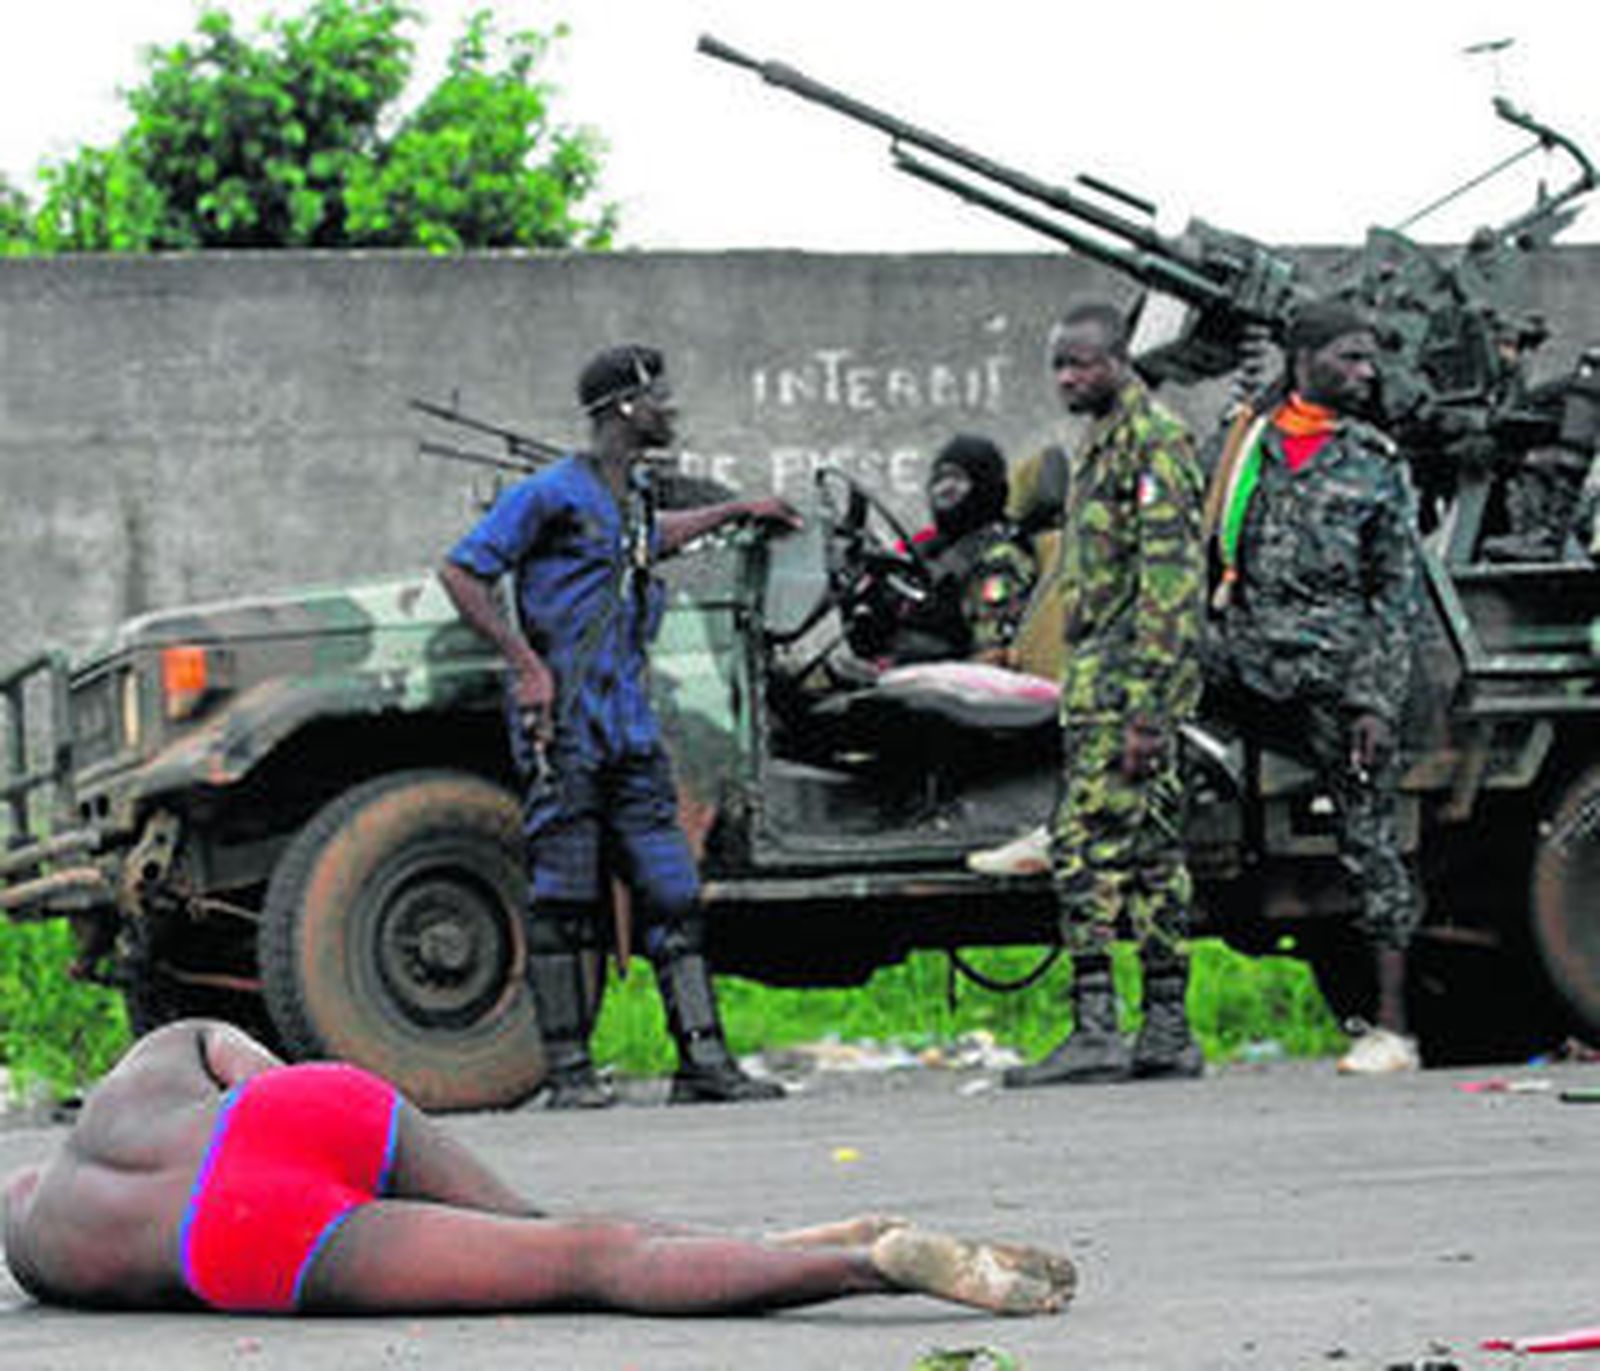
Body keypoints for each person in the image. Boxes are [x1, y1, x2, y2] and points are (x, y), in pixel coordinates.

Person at [1, 1020, 1077, 1317]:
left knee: (583, 1266)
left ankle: (865, 1264)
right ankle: (797, 1240)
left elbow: (142, 1280)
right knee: (546, 1224)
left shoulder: (45, 1245)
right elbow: (232, 1053)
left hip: (243, 1232)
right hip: (296, 1109)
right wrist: (303, 1127)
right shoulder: (132, 1084)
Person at [438, 344, 798, 1109]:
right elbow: (462, 571)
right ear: (626, 407)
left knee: (673, 892)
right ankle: (569, 1074)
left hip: (628, 722)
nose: (671, 408)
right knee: (566, 898)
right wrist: (525, 663)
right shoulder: (550, 493)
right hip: (564, 719)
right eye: (660, 396)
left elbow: (651, 536)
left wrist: (736, 510)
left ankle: (703, 1064)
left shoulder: (628, 493)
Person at [1203, 299, 1421, 1074]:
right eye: (1349, 357)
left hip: (1333, 674)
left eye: (1369, 359)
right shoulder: (1245, 445)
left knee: (1371, 838)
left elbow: (1395, 596)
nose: (1366, 372)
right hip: (1243, 655)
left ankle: (1392, 1029)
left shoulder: (1374, 460)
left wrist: (1374, 701)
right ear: (1305, 359)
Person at [1002, 301, 1207, 1089]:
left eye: (1080, 363)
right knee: (1150, 853)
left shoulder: (1152, 440)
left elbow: (1169, 583)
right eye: (1058, 364)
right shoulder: (1103, 440)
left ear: (1119, 361)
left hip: (1128, 686)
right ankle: (1166, 1030)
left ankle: (1099, 1030)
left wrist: (1148, 709)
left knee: (1084, 847)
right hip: (1105, 679)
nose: (1066, 378)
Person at [850, 434, 1035, 666]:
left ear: (984, 486)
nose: (944, 489)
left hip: (950, 681)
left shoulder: (1001, 556)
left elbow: (992, 655)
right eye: (939, 479)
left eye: (957, 478)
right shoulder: (931, 547)